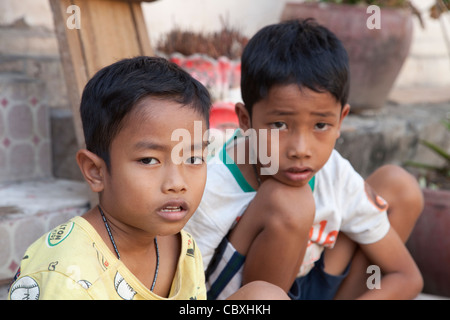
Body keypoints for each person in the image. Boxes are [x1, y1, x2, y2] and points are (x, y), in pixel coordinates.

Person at [8, 56, 288, 300]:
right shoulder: (68, 276)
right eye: (149, 160)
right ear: (96, 171)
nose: (177, 182)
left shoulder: (183, 246)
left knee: (265, 297)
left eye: (193, 159)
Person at [184, 19, 424, 300]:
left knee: (398, 186)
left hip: (308, 284)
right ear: (245, 120)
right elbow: (184, 292)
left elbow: (406, 277)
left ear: (340, 121)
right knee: (288, 202)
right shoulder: (211, 185)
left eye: (321, 125)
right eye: (279, 125)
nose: (300, 149)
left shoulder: (334, 172)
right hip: (251, 300)